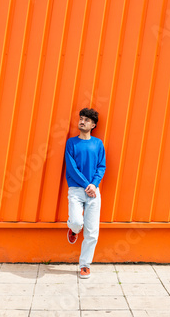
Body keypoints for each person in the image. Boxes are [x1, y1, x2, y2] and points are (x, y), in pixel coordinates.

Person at [64, 108, 106, 279]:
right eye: (81, 118)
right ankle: (73, 229)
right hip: (76, 190)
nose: (82, 121)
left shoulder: (98, 144)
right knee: (76, 222)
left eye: (87, 120)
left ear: (93, 125)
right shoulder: (71, 143)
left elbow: (101, 167)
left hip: (93, 192)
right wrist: (86, 184)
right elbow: (71, 168)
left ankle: (84, 265)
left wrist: (94, 185)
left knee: (92, 231)